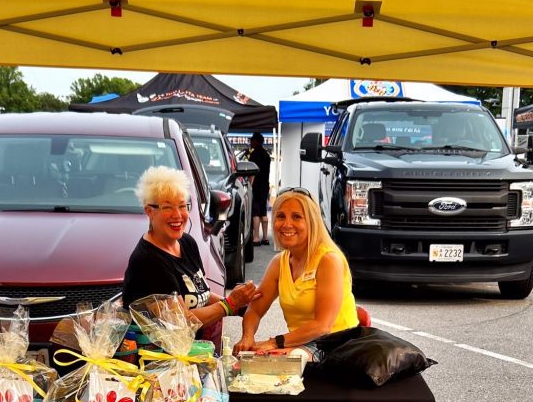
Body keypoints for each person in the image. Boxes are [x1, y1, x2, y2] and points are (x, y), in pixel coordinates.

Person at [122, 166, 259, 348]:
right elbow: (181, 320)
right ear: (149, 211)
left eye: (182, 206)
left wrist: (242, 306)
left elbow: (200, 293)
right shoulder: (147, 261)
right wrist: (230, 304)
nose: (177, 215)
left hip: (192, 351)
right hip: (158, 363)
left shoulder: (186, 242)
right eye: (167, 207)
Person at [236, 187, 358, 359]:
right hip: (303, 346)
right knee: (255, 359)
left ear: (312, 222)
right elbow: (255, 310)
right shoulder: (279, 262)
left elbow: (322, 326)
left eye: (296, 217)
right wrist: (247, 337)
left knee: (269, 361)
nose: (286, 224)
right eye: (280, 216)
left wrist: (274, 342)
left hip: (338, 345)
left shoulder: (328, 260)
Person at [245, 132, 272, 246]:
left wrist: (249, 186)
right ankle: (265, 238)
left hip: (256, 186)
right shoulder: (266, 155)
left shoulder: (254, 154)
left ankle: (256, 238)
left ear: (256, 141)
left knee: (255, 212)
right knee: (263, 212)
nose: (251, 142)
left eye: (252, 140)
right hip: (265, 186)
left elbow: (252, 173)